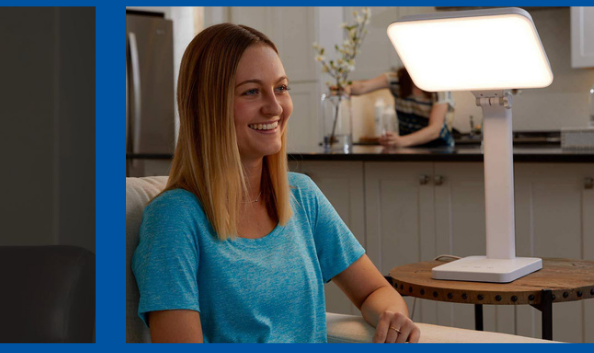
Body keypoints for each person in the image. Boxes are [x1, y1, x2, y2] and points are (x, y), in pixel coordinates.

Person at [134, 24, 421, 343]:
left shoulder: (302, 196)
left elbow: (376, 290)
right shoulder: (173, 219)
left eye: (281, 88)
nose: (275, 107)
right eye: (251, 91)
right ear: (207, 106)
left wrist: (390, 316)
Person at [337, 68, 455, 149]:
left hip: (439, 148)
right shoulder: (396, 79)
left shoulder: (440, 86)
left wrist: (400, 141)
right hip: (408, 148)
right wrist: (347, 87)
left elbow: (435, 129)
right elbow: (363, 87)